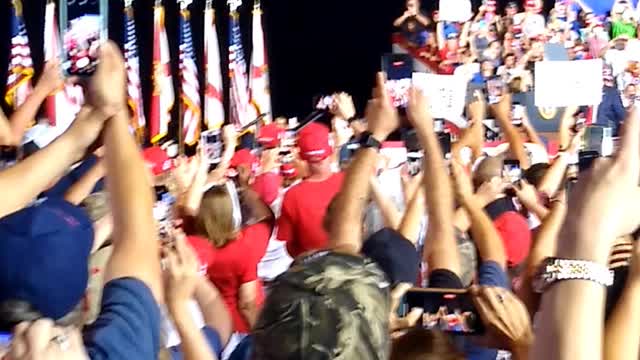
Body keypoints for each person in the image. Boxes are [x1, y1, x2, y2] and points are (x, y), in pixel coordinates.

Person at [276, 122, 345, 258]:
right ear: (330, 152)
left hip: (312, 270)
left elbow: (289, 246)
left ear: (301, 156)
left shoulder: (292, 195)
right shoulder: (349, 181)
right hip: (353, 265)